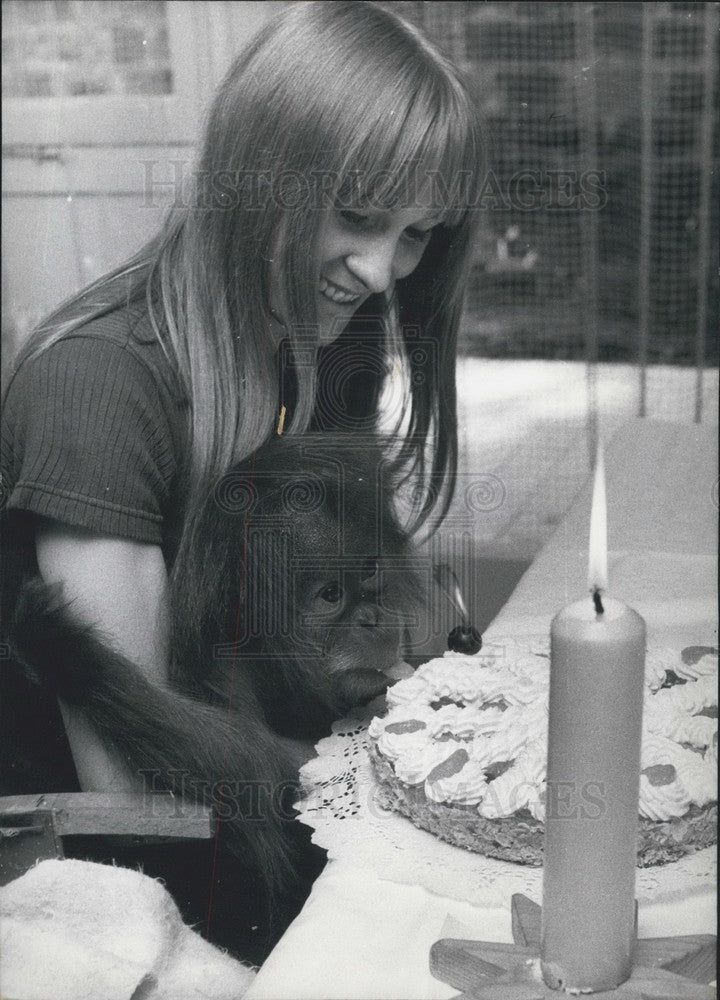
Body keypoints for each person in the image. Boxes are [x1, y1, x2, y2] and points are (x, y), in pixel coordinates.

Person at [1, 0, 485, 961]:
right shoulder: (95, 387)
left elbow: (363, 630)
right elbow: (136, 802)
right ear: (252, 177)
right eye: (356, 215)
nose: (385, 273)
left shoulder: (320, 341)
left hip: (281, 810)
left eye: (419, 233)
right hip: (135, 896)